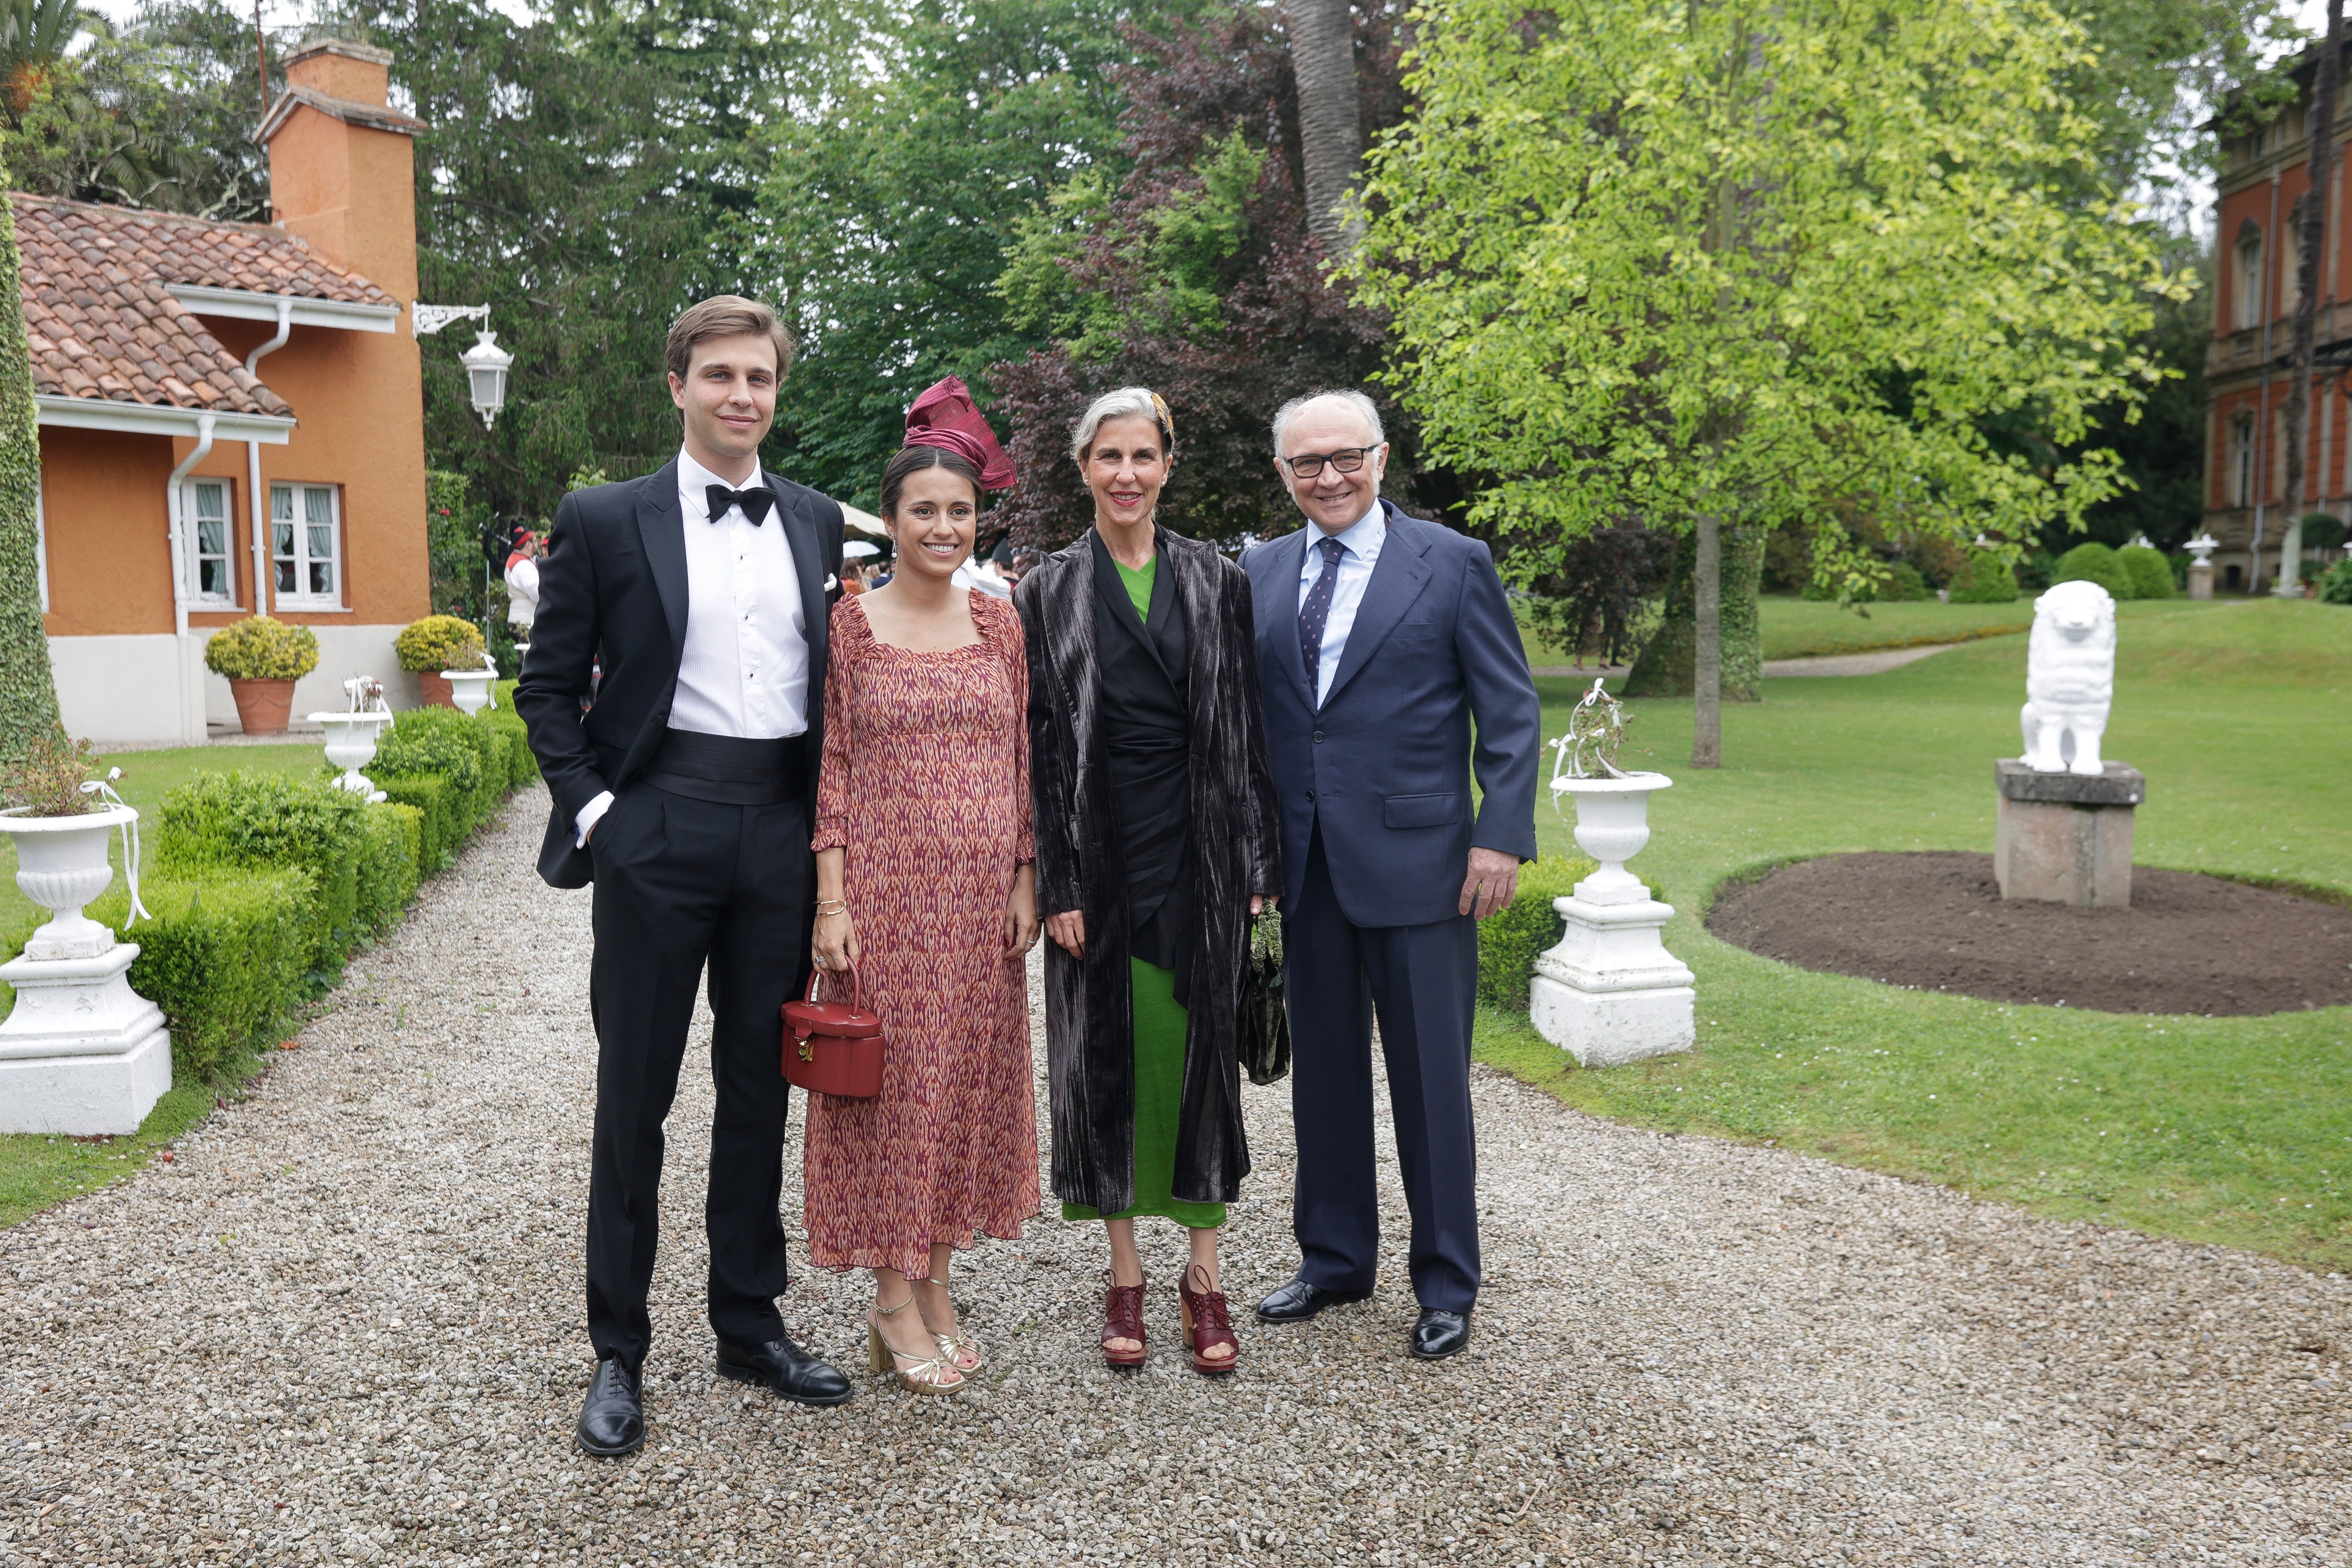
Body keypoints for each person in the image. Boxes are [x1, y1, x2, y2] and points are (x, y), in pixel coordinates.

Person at [514, 295, 852, 1459]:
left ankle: (749, 1326)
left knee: (762, 1093)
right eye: (719, 376)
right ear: (679, 385)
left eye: (758, 378)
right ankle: (619, 1352)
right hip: (657, 832)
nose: (741, 397)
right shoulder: (605, 518)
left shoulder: (813, 520)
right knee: (636, 1100)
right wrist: (605, 815)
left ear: (776, 390)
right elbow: (548, 691)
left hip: (778, 834)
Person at [1240, 388, 1539, 1362]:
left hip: (1425, 866)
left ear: (1381, 457)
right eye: (1305, 464)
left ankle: (1448, 1280)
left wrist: (1501, 835)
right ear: (1282, 475)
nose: (1327, 477)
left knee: (1430, 1083)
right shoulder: (1261, 570)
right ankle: (1333, 1261)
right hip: (1309, 865)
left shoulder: (1451, 564)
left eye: (1344, 457)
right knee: (1323, 1074)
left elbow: (1510, 711)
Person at [1017, 386, 1281, 1375]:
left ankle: (1204, 1277)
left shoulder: (1220, 580)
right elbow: (1041, 748)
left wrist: (1259, 862)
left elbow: (1247, 727)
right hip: (1101, 854)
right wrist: (1061, 880)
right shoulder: (1045, 590)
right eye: (1107, 457)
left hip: (1204, 852)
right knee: (1108, 1062)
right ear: (1082, 467)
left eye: (1144, 455)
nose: (1126, 474)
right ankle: (1126, 1270)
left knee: (1201, 1060)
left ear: (1169, 464)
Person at [805, 377, 1040, 1397]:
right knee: (894, 1100)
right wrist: (833, 900)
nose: (944, 528)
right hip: (890, 904)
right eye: (924, 512)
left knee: (961, 1097)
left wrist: (1029, 874)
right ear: (891, 519)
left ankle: (937, 1283)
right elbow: (837, 767)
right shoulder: (853, 629)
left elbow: (1025, 757)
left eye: (960, 513)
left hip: (984, 903)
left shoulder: (1003, 628)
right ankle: (891, 1298)